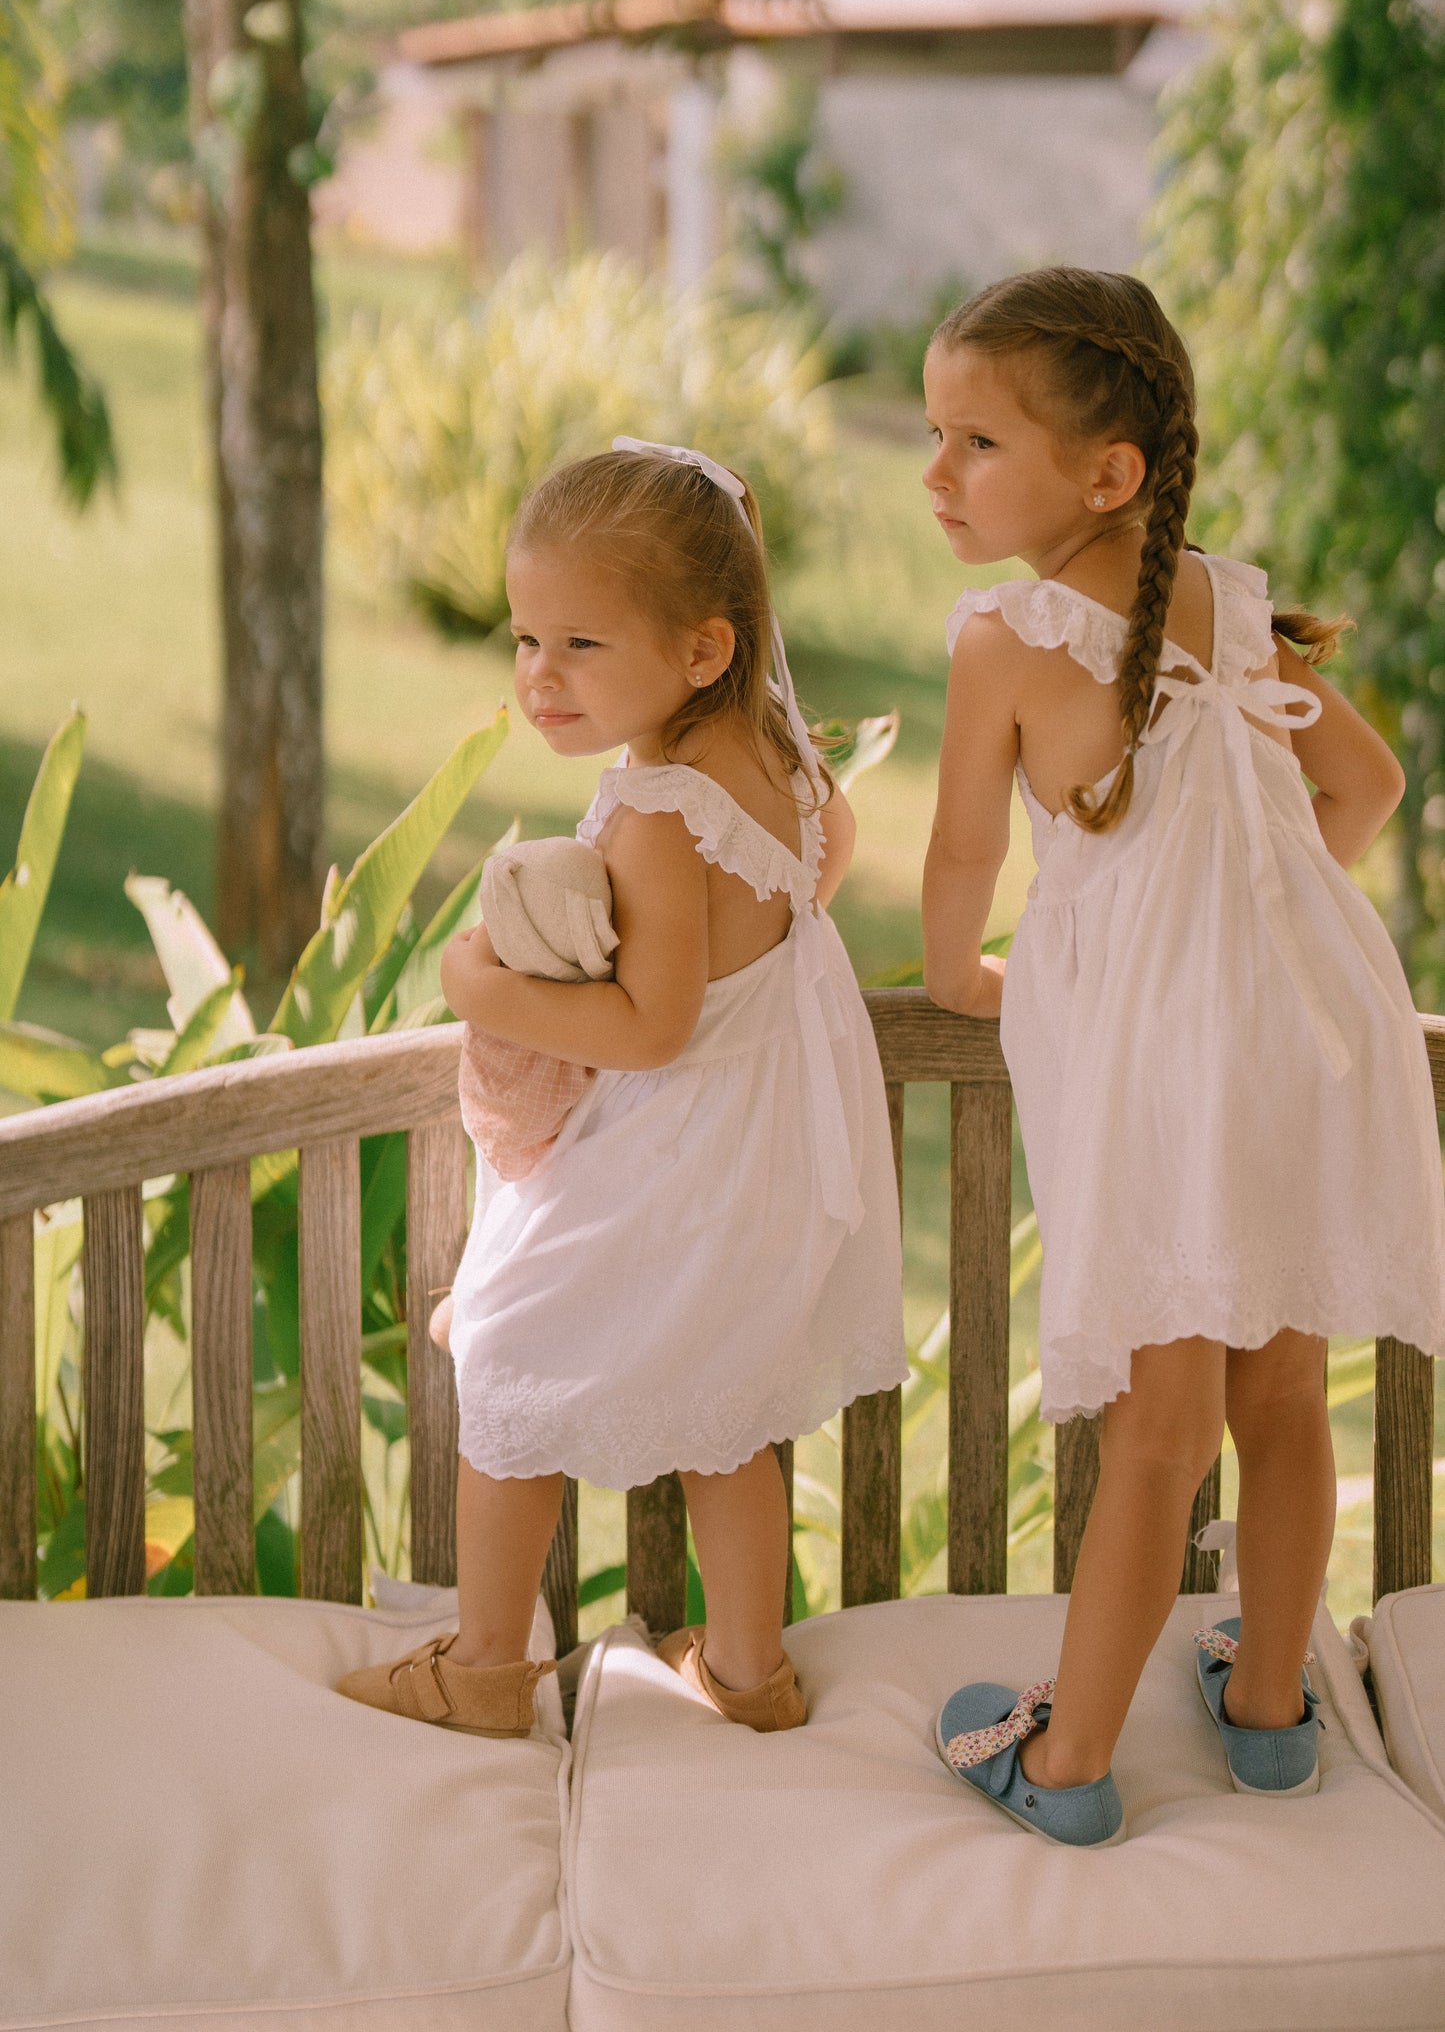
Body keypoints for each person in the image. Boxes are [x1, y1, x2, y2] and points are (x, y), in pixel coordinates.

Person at [921, 267, 1445, 1846]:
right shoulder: (1225, 592)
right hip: (1306, 1040)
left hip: (1175, 1076)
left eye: (973, 442)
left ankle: (1067, 1764)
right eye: (936, 437)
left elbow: (955, 859)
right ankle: (1271, 1716)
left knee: (1159, 1429)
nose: (937, 474)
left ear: (1106, 473)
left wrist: (961, 974)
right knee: (1281, 1393)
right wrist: (1249, 917)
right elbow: (1365, 783)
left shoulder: (1003, 639)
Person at [338, 437, 905, 1737]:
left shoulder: (656, 803)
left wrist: (484, 992)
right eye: (525, 638)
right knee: (728, 1412)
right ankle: (750, 1675)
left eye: (581, 647)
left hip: (669, 1145)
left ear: (702, 649)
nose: (540, 678)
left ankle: (485, 1664)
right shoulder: (774, 757)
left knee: (506, 1358)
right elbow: (821, 864)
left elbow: (649, 1027)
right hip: (754, 1149)